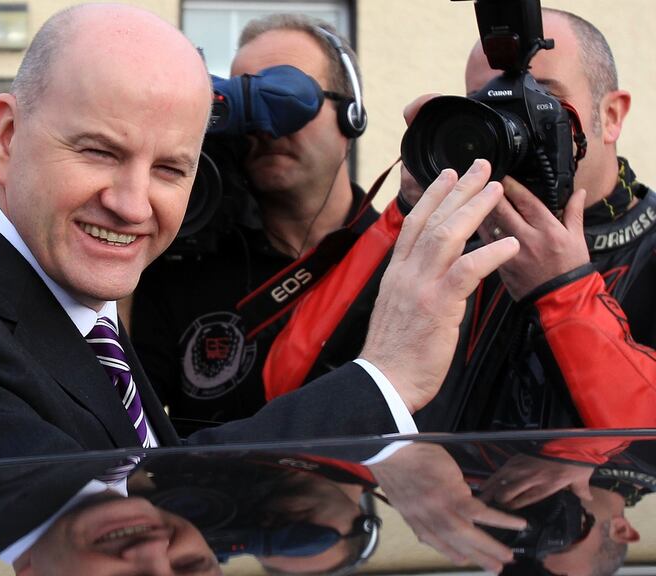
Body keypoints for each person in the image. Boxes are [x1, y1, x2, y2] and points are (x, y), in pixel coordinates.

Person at [0, 2, 517, 522]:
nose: (133, 205)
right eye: (99, 151)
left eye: (171, 169)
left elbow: (145, 480)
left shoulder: (77, 312)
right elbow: (108, 529)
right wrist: (385, 379)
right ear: (5, 138)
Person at [265, 8, 656, 433]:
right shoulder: (455, 240)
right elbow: (287, 381)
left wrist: (564, 292)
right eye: (488, 105)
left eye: (541, 99)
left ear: (611, 116)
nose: (512, 124)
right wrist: (409, 213)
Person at [130, 15, 399, 431]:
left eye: (288, 98)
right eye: (251, 102)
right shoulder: (184, 266)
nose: (266, 125)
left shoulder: (399, 264)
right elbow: (119, 420)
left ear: (351, 115)